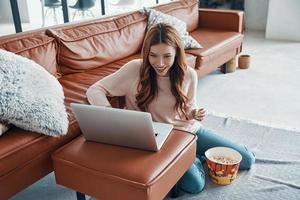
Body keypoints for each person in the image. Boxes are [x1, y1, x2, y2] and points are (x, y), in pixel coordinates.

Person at [86, 23, 255, 194]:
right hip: (159, 139)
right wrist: (110, 113)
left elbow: (189, 108)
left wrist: (194, 113)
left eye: (167, 56)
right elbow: (95, 90)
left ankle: (195, 151)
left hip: (188, 131)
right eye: (153, 55)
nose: (159, 63)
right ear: (147, 53)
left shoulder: (188, 74)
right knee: (194, 185)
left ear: (176, 53)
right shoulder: (134, 70)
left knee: (247, 160)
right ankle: (196, 157)